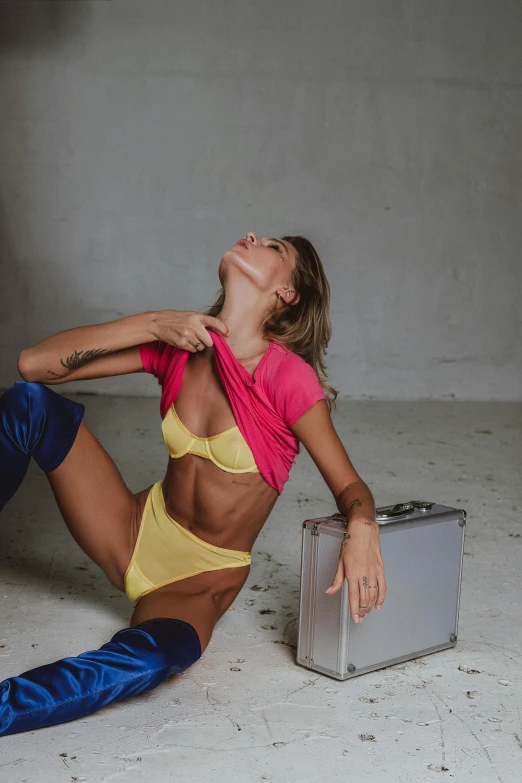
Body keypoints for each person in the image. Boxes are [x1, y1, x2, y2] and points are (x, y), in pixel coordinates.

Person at [0, 232, 386, 737]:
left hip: (197, 578)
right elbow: (34, 366)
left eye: (272, 246)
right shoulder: (181, 348)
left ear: (288, 292)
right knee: (28, 404)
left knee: (155, 657)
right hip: (132, 529)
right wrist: (156, 323)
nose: (251, 237)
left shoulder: (287, 379)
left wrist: (364, 529)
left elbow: (350, 485)